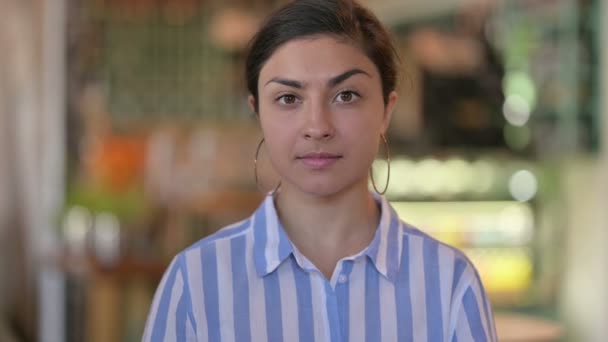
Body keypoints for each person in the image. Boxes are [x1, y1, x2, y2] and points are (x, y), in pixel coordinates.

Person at [143, 0, 497, 341]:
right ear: (258, 112)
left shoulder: (449, 282)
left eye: (346, 95)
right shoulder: (196, 282)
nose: (317, 126)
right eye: (288, 99)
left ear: (386, 111)